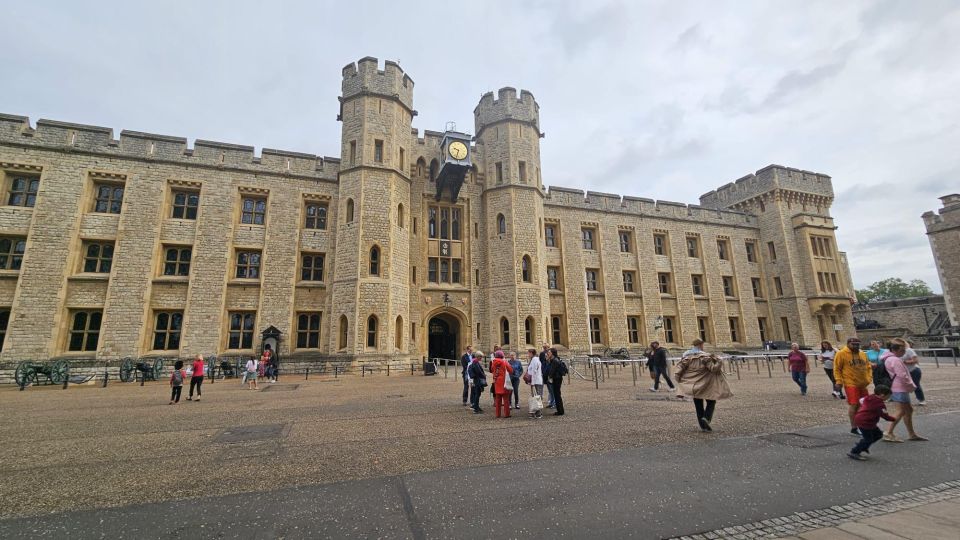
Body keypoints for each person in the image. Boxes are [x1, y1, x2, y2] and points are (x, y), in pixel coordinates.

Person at [675, 341, 732, 432]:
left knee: (698, 406)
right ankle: (706, 418)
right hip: (706, 384)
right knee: (711, 402)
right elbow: (713, 369)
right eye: (702, 345)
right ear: (700, 345)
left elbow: (678, 371)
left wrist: (681, 382)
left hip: (693, 385)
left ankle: (703, 426)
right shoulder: (705, 357)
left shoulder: (686, 357)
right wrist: (719, 361)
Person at [882, 338, 928, 443]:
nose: (904, 353)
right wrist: (911, 386)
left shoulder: (889, 358)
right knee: (901, 411)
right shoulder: (895, 360)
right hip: (899, 388)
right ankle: (888, 432)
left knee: (908, 410)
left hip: (897, 387)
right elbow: (902, 376)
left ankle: (911, 433)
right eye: (902, 351)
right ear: (895, 350)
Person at [833, 337, 872, 436]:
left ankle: (862, 424)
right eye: (853, 344)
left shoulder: (862, 353)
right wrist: (838, 381)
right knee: (854, 404)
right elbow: (837, 369)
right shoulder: (841, 353)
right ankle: (854, 427)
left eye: (857, 344)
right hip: (850, 382)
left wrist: (869, 378)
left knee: (864, 404)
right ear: (848, 344)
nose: (856, 346)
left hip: (863, 383)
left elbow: (868, 366)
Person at [847, 385, 895, 461]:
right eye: (888, 396)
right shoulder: (880, 404)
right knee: (868, 439)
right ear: (882, 395)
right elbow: (885, 416)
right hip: (865, 422)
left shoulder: (870, 397)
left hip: (864, 420)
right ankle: (855, 451)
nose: (888, 398)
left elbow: (861, 400)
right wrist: (894, 419)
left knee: (878, 434)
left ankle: (863, 446)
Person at [490, 351, 514, 418]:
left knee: (498, 400)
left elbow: (492, 370)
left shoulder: (494, 362)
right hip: (504, 382)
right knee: (506, 400)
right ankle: (507, 414)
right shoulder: (504, 362)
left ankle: (498, 414)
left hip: (497, 382)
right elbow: (511, 370)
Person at [901, 341, 925, 405]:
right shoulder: (896, 352)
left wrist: (905, 362)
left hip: (914, 370)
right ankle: (904, 400)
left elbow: (915, 360)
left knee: (916, 385)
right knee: (903, 386)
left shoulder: (909, 350)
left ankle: (921, 399)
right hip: (904, 371)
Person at [547, 347, 566, 416]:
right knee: (557, 394)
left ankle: (560, 411)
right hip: (557, 378)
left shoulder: (555, 360)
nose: (548, 353)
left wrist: (549, 377)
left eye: (549, 352)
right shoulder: (554, 359)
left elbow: (552, 371)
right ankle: (560, 410)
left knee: (557, 395)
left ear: (552, 353)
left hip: (557, 379)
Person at [526, 348, 543, 419]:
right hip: (535, 381)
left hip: (536, 381)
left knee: (537, 397)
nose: (528, 354)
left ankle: (538, 413)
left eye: (529, 353)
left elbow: (534, 371)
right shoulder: (533, 360)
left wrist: (532, 382)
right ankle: (535, 412)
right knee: (535, 396)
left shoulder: (535, 360)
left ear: (532, 353)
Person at [540, 343, 555, 408]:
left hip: (550, 377)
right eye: (544, 347)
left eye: (546, 347)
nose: (545, 349)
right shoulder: (542, 356)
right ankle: (551, 403)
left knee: (552, 390)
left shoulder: (552, 361)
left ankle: (553, 403)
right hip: (545, 376)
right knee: (550, 390)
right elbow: (542, 365)